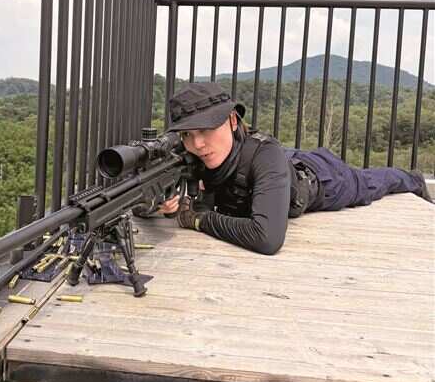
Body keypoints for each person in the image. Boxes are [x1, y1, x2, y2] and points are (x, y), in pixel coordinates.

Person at [154, 82, 432, 255]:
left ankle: (413, 179)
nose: (198, 143)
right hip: (281, 163)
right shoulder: (191, 153)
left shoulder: (264, 155)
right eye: (188, 134)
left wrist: (198, 219)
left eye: (206, 129)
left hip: (321, 179)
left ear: (232, 120)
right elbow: (148, 197)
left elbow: (267, 237)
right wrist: (161, 204)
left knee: (371, 183)